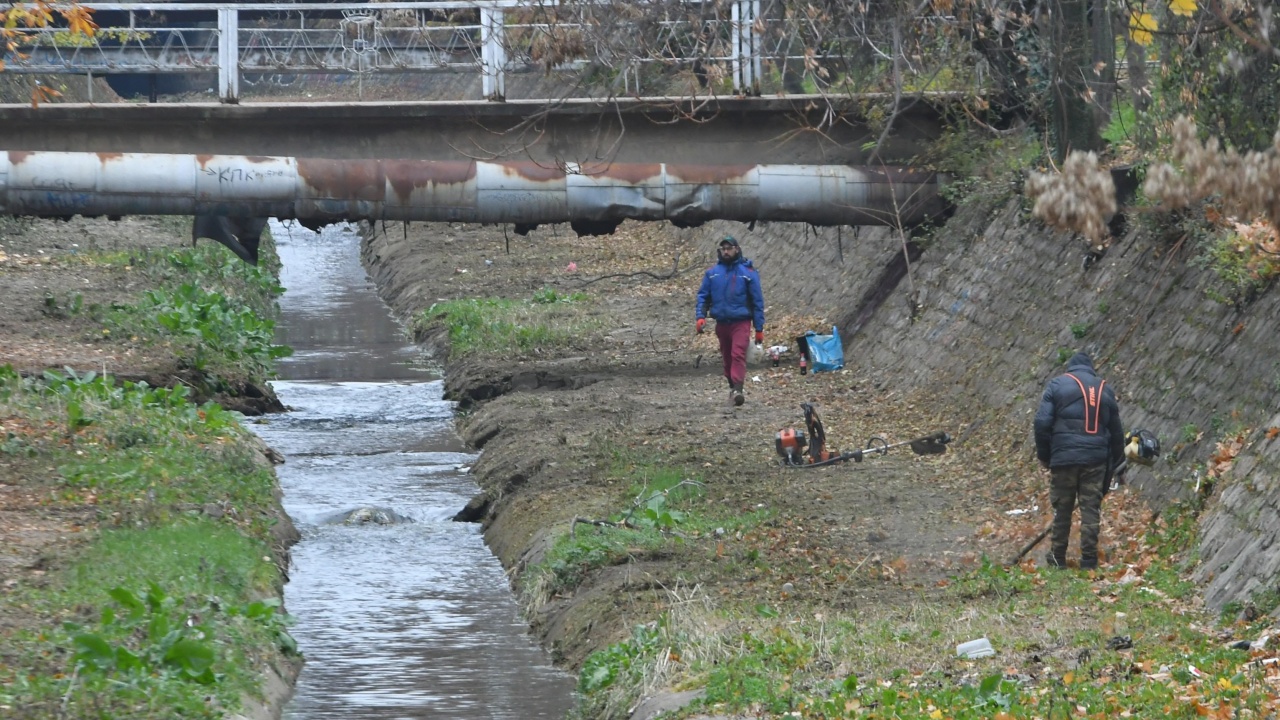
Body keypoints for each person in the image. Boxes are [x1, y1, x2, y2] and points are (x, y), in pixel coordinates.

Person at [1033, 352, 1125, 570]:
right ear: (1091, 369)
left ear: (1070, 369)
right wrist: (1119, 464)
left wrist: (1046, 456)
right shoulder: (1105, 389)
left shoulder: (1056, 385)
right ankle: (1089, 561)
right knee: (1090, 509)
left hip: (1063, 458)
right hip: (1095, 460)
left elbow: (1041, 423)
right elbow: (1116, 432)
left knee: (1062, 509)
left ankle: (1057, 559)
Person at [695, 236, 765, 407]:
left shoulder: (748, 274)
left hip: (741, 322)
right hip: (722, 323)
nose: (726, 251)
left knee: (737, 354)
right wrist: (700, 317)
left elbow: (757, 301)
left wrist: (759, 328)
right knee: (727, 358)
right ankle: (733, 387)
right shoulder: (712, 274)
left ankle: (739, 390)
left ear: (737, 249)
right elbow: (703, 296)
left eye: (729, 248)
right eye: (723, 249)